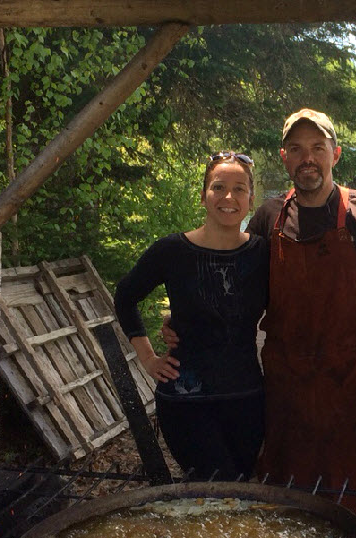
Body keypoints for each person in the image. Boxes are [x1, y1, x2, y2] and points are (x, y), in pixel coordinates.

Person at [164, 109, 356, 538]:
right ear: (284, 158)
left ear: (335, 153)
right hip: (286, 388)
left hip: (353, 387)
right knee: (289, 498)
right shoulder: (268, 218)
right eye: (297, 149)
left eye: (317, 148)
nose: (308, 158)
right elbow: (235, 294)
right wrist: (184, 321)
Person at [114, 151, 268, 481]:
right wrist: (148, 359)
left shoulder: (262, 253)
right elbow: (125, 296)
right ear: (203, 197)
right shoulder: (172, 251)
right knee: (215, 486)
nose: (229, 197)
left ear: (251, 200)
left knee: (238, 492)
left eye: (240, 188)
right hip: (187, 401)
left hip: (247, 399)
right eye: (218, 187)